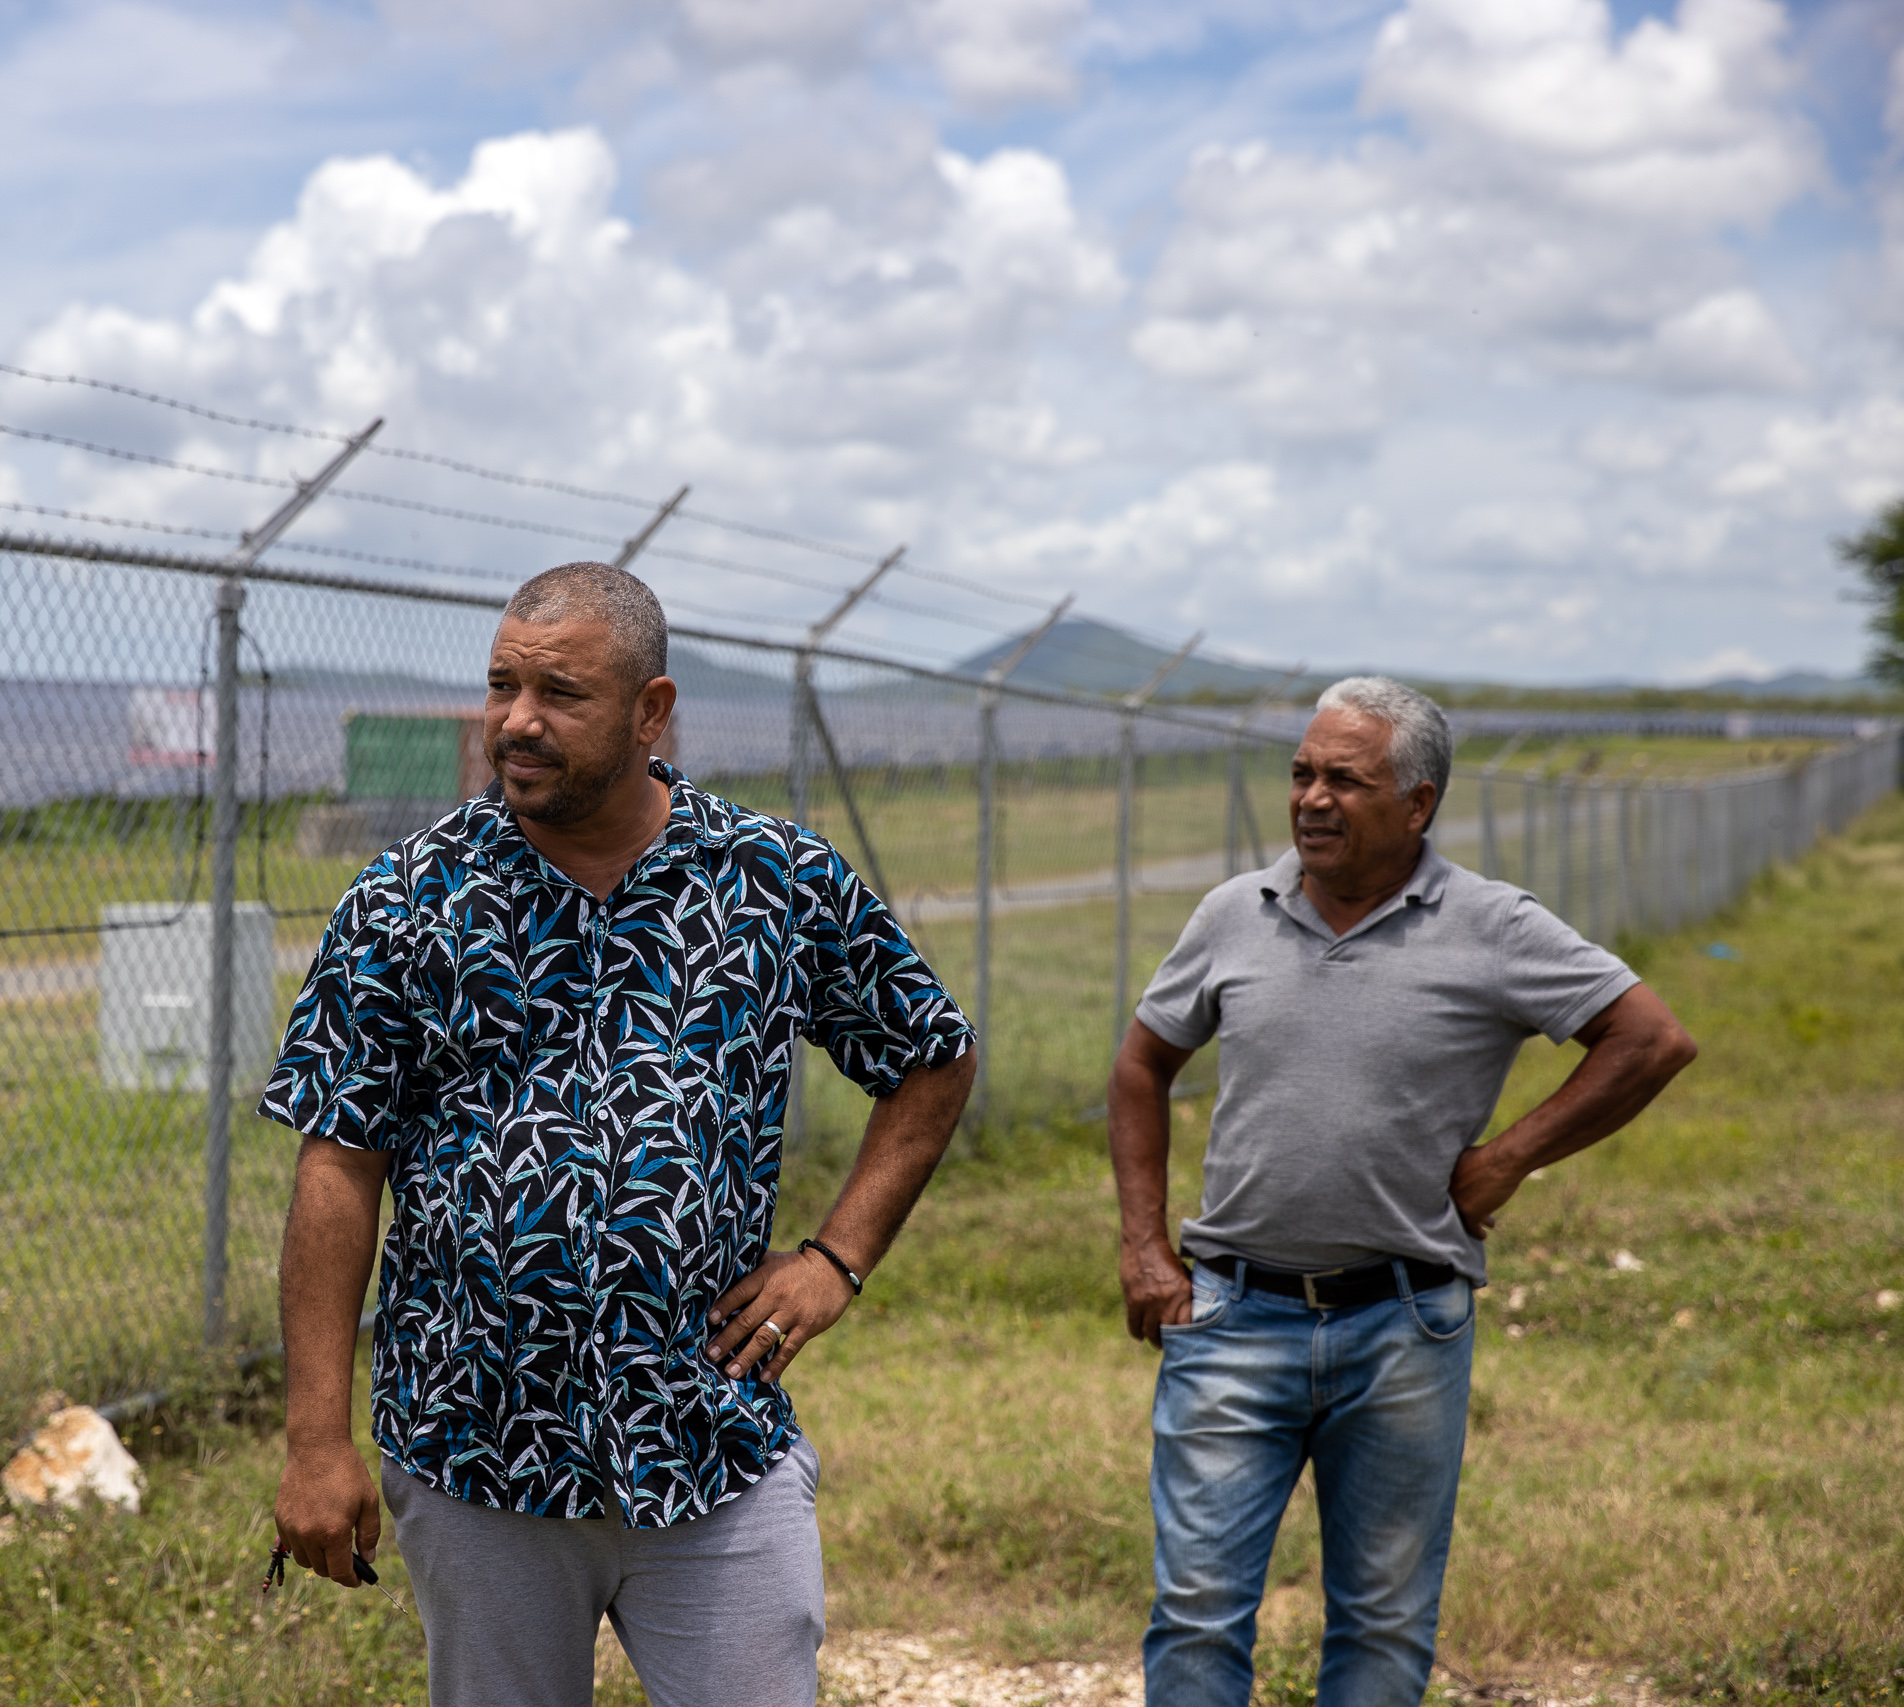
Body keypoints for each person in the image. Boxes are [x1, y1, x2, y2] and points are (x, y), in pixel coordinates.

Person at [260, 561, 975, 1707]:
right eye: (501, 687)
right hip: (473, 1453)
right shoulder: (405, 903)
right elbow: (339, 1163)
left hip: (708, 1446)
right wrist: (315, 1442)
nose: (517, 722)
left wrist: (837, 1258)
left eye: (559, 694)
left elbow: (930, 1054)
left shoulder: (772, 882)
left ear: (651, 711)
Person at [1108, 676, 1698, 1707]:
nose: (1311, 800)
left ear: (1418, 802)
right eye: (1301, 774)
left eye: (1346, 779)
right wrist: (1145, 1249)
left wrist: (1509, 1155)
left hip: (1404, 1325)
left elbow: (1649, 1041)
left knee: (1383, 1624)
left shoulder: (1491, 926)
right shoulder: (1231, 915)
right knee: (1197, 1613)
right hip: (1233, 1316)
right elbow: (1138, 1067)